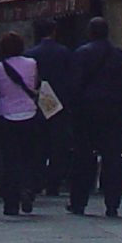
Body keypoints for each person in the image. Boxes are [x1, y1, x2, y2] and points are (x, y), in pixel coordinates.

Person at [68, 17, 122, 217]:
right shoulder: (120, 56)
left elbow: (74, 85)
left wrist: (73, 108)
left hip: (86, 113)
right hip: (112, 114)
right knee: (112, 159)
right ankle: (112, 203)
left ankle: (79, 201)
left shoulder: (82, 54)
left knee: (82, 158)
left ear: (90, 32)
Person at [0, 31, 45, 218]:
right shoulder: (32, 64)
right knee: (28, 156)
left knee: (9, 160)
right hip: (29, 113)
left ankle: (10, 202)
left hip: (5, 116)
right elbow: (35, 86)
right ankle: (28, 188)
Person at [25, 18, 78, 201]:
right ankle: (53, 183)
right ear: (54, 32)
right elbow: (72, 78)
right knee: (58, 146)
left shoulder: (30, 54)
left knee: (37, 145)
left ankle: (36, 181)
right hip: (59, 105)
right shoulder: (64, 53)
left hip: (37, 103)